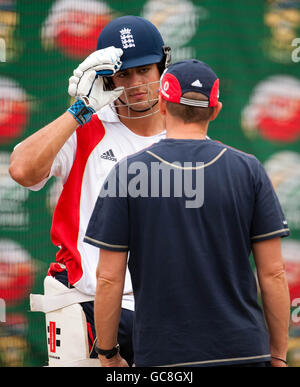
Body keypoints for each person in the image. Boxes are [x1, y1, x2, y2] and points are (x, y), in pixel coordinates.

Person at [85, 59, 291, 367]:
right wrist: (278, 356)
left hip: (164, 357)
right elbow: (273, 274)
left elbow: (108, 279)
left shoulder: (128, 173)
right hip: (244, 351)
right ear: (216, 110)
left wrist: (109, 354)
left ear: (164, 106)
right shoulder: (248, 170)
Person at [9, 15, 171, 366]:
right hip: (85, 303)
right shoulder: (86, 127)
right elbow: (21, 169)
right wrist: (79, 109)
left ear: (163, 66)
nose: (136, 83)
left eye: (145, 70)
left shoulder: (184, 134)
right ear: (105, 76)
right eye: (124, 73)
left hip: (164, 308)